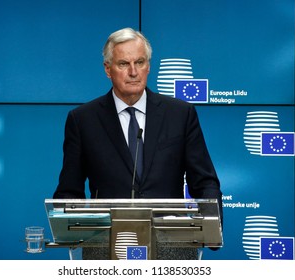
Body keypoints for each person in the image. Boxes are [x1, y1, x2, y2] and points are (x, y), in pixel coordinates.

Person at [53, 27, 222, 259]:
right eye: (123, 64)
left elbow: (205, 182)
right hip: (106, 250)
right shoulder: (83, 120)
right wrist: (69, 226)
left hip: (171, 249)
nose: (133, 72)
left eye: (140, 62)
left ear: (149, 66)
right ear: (107, 69)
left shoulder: (180, 114)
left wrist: (211, 231)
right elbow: (69, 191)